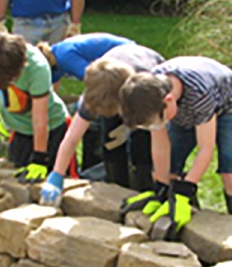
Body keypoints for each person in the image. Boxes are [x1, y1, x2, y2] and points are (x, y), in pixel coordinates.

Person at [118, 56, 232, 239]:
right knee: (170, 172)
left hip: (229, 106)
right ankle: (190, 222)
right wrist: (162, 186)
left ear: (169, 100)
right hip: (184, 110)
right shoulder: (148, 94)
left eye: (160, 122)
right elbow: (160, 145)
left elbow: (206, 147)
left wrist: (186, 188)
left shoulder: (199, 93)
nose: (158, 126)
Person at [39, 43, 165, 207]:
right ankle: (116, 190)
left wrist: (130, 127)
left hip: (146, 92)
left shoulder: (145, 86)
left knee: (141, 144)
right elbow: (71, 138)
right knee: (110, 142)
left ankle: (146, 189)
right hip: (117, 84)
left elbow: (160, 133)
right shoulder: (95, 94)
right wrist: (57, 175)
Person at [0, 32, 69, 182]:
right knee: (17, 176)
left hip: (52, 129)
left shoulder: (37, 68)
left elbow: (39, 120)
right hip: (19, 130)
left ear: (21, 67)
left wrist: (39, 158)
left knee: (51, 182)